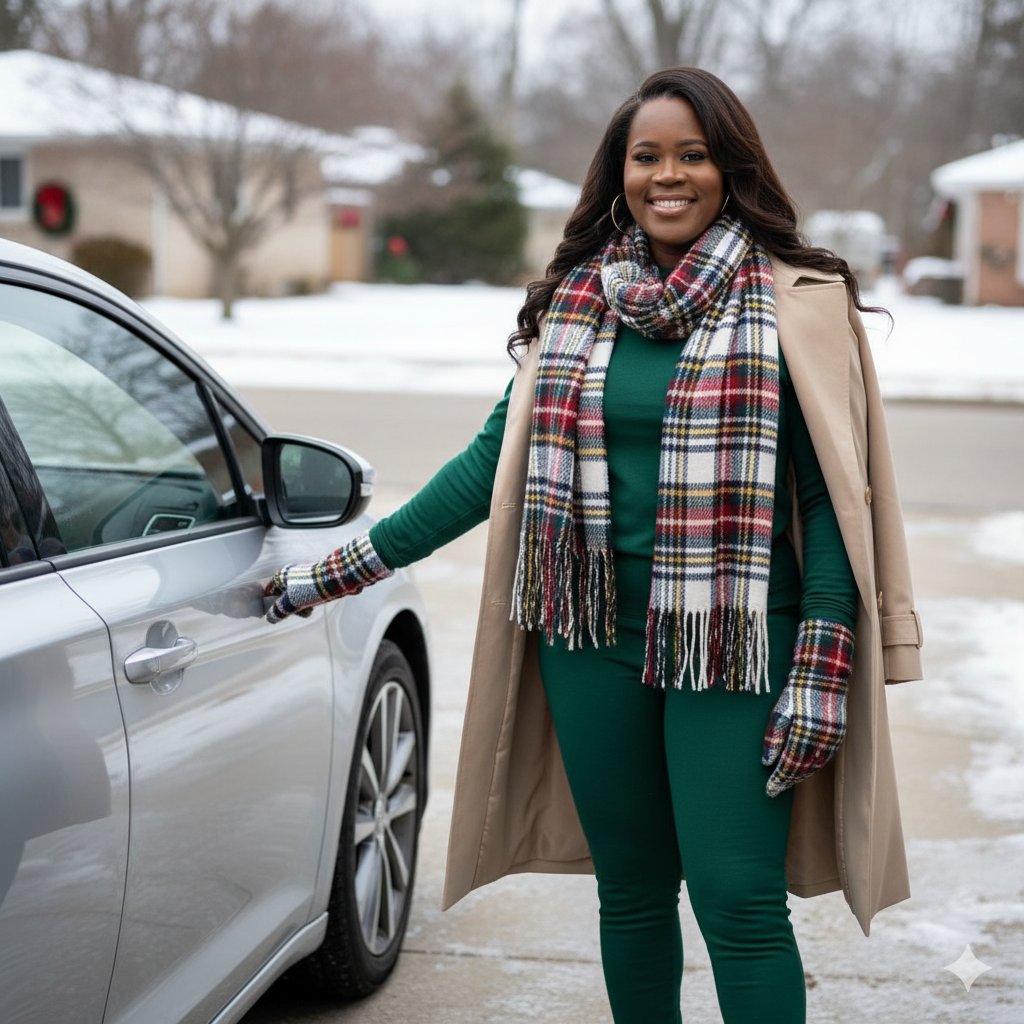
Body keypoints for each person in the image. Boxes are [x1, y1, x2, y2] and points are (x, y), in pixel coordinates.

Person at [265, 67, 924, 1024]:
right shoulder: (577, 302)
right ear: (620, 173)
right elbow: (490, 466)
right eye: (646, 156)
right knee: (632, 891)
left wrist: (822, 663)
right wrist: (342, 569)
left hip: (736, 640)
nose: (669, 175)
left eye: (693, 155)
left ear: (730, 168)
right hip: (590, 634)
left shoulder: (797, 305)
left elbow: (832, 503)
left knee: (739, 900)